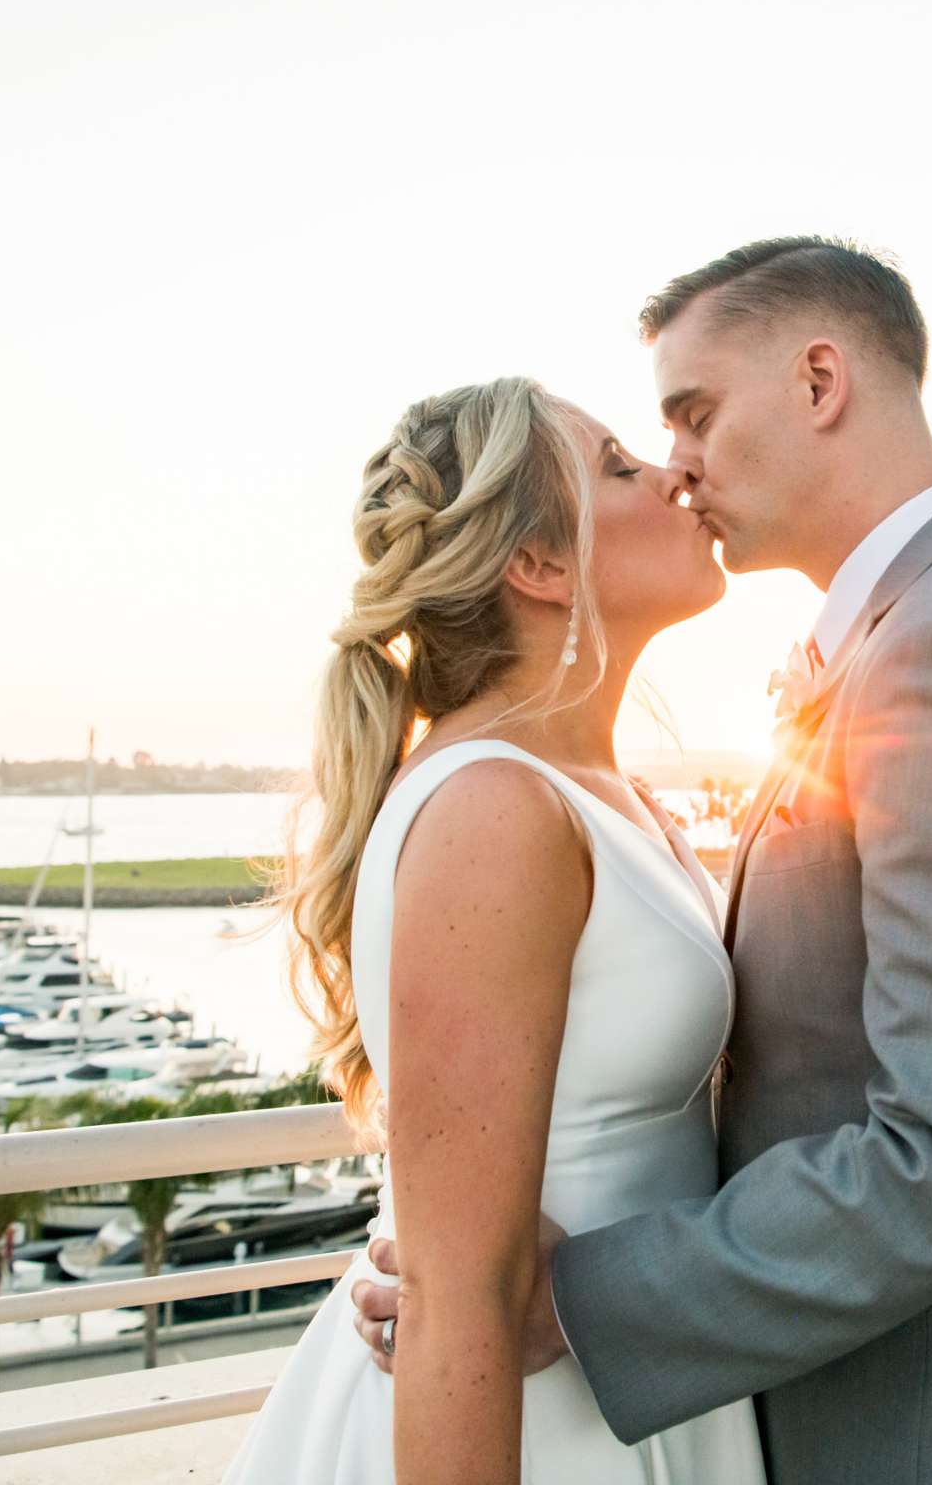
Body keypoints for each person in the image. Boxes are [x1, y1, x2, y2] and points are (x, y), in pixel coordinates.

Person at [349, 238, 932, 1483]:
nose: (678, 468)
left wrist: (567, 1292)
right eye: (641, 448)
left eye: (691, 414)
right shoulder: (913, 641)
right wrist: (461, 1239)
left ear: (820, 380)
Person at [222, 374, 766, 1482]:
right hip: (535, 1420)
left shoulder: (598, 789)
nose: (673, 473)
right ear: (540, 564)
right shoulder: (494, 809)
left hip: (630, 1374)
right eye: (618, 465)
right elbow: (458, 1295)